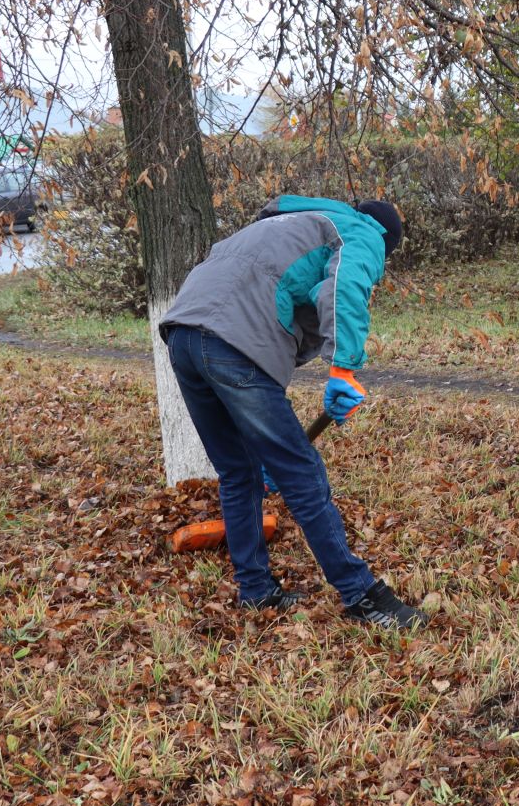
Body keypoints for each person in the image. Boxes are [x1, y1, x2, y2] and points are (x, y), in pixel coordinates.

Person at [158, 195, 426, 627]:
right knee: (302, 473)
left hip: (183, 336)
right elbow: (343, 288)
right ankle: (362, 596)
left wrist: (265, 445)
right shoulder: (361, 232)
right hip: (232, 343)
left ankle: (256, 591)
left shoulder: (291, 224)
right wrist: (343, 368)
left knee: (238, 471)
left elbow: (283, 306)